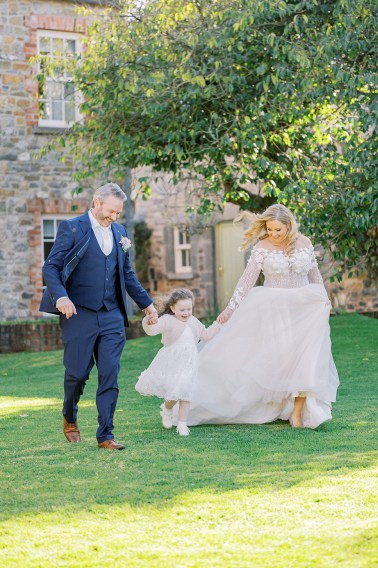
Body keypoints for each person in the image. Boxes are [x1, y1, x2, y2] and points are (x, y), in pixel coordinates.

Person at [187, 204, 339, 429]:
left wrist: (324, 300)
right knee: (285, 361)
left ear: (289, 225)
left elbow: (314, 274)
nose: (274, 234)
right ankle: (279, 407)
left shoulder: (305, 243)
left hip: (307, 309)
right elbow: (247, 279)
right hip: (276, 311)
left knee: (307, 360)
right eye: (270, 229)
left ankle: (297, 412)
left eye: (278, 229)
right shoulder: (262, 246)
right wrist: (231, 308)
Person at [40, 183, 158, 449]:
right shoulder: (72, 227)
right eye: (111, 211)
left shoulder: (119, 232)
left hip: (112, 315)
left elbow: (126, 274)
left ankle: (105, 434)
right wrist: (61, 297)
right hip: (78, 314)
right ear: (97, 202)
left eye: (118, 213)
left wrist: (147, 305)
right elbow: (52, 267)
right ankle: (69, 415)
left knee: (110, 374)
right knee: (77, 374)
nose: (114, 217)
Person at [135, 288, 221, 436]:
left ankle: (182, 424)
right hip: (172, 362)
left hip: (189, 363)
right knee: (173, 395)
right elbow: (153, 329)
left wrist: (218, 324)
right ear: (173, 308)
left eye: (189, 309)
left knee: (185, 393)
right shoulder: (168, 320)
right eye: (182, 309)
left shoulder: (193, 321)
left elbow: (206, 335)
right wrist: (149, 321)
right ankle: (167, 409)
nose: (186, 313)